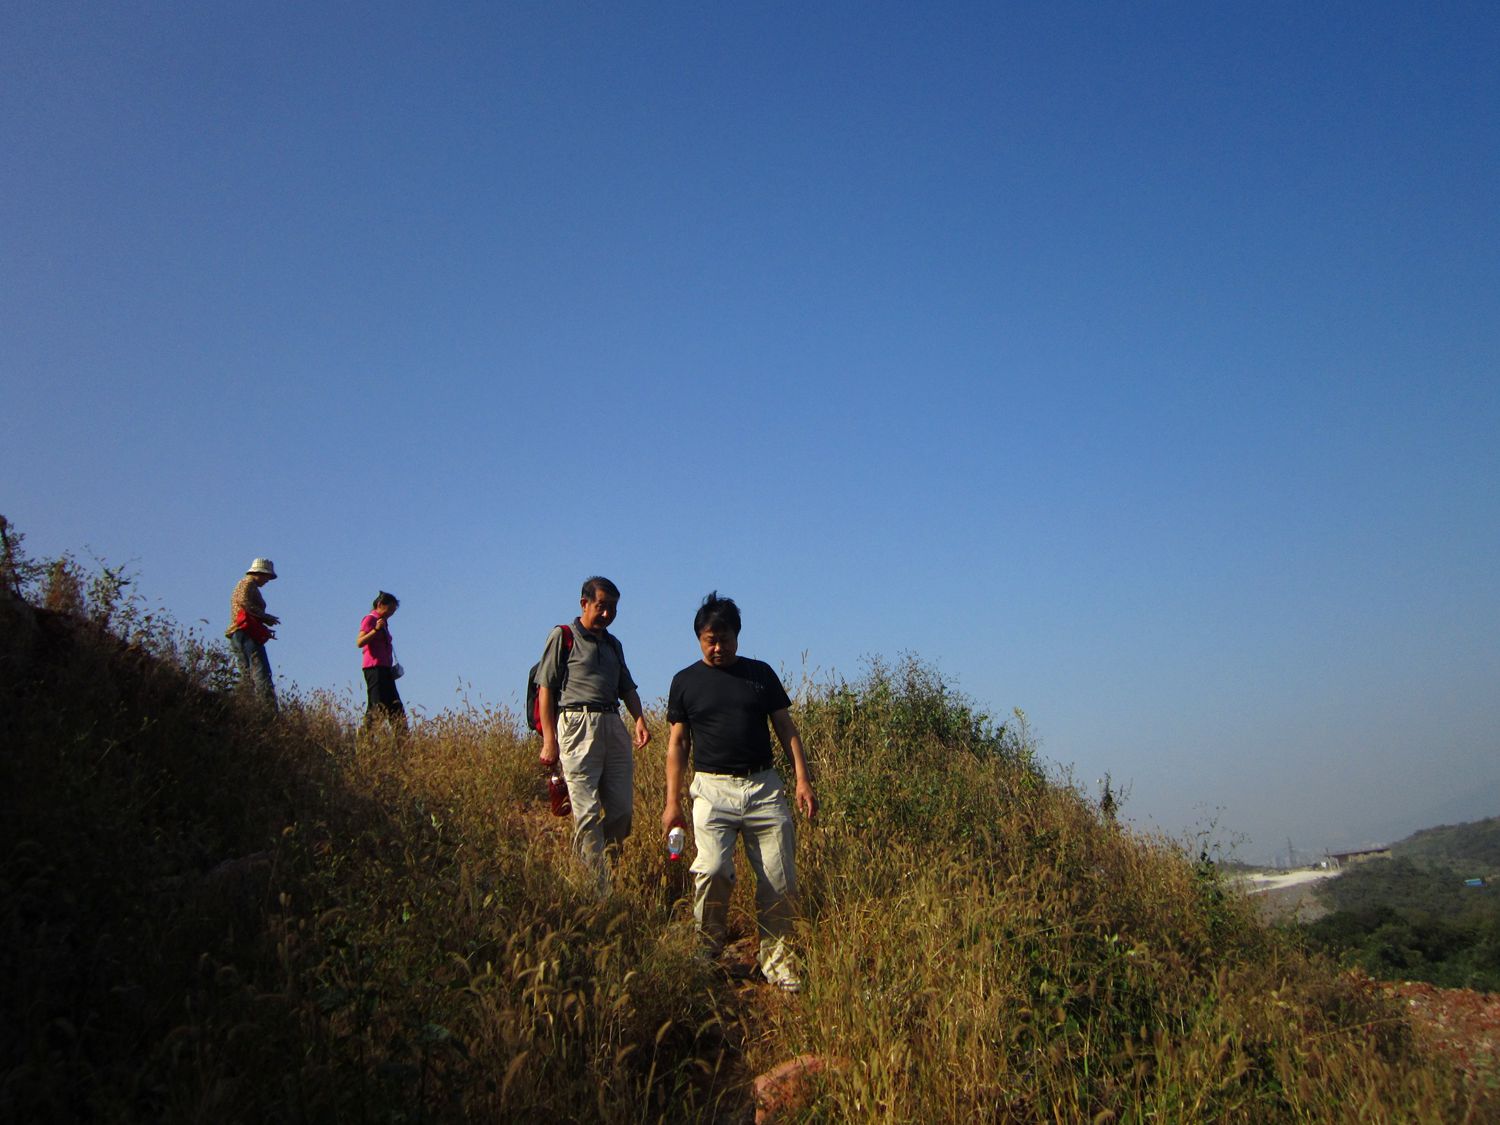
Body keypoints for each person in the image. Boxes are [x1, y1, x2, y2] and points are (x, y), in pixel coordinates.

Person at [662, 592, 816, 992]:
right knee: (711, 870)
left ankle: (779, 963)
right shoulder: (685, 681)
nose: (718, 647)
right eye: (709, 639)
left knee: (779, 879)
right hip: (711, 790)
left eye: (724, 638)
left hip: (763, 787)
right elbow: (678, 744)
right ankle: (707, 952)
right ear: (698, 639)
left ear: (737, 636)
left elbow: (785, 727)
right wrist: (671, 802)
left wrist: (802, 779)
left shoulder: (760, 674)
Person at [535, 576, 651, 895]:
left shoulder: (614, 645)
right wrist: (549, 741)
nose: (607, 614)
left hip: (613, 724)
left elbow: (627, 686)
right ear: (584, 603)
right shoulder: (564, 636)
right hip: (576, 724)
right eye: (601, 606)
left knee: (622, 812)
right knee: (585, 812)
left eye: (613, 608)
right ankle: (597, 891)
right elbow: (545, 688)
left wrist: (639, 718)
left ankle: (607, 868)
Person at [226, 557, 279, 711]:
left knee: (246, 671)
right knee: (260, 671)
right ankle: (268, 710)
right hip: (246, 632)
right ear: (259, 573)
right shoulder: (247, 583)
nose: (267, 580)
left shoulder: (245, 584)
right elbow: (243, 602)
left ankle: (246, 704)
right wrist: (264, 617)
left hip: (240, 632)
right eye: (267, 576)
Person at [356, 591, 407, 731]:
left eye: (393, 610)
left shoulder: (383, 622)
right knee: (376, 704)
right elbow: (359, 642)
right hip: (374, 668)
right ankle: (366, 740)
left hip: (385, 669)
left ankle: (403, 742)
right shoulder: (370, 619)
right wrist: (375, 631)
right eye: (390, 608)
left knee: (395, 707)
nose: (391, 613)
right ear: (380, 605)